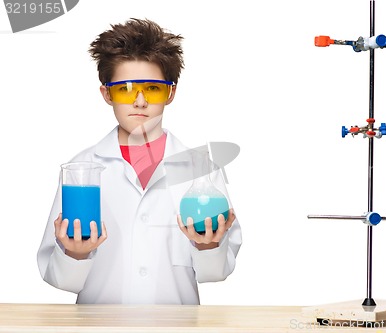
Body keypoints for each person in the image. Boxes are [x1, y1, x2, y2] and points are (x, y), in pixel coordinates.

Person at [37, 18, 242, 304]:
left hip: (176, 326)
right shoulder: (81, 168)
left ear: (171, 93)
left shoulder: (201, 168)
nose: (140, 101)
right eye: (126, 89)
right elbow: (60, 280)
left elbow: (217, 272)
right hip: (100, 326)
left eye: (153, 89)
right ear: (106, 94)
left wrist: (208, 247)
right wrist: (75, 254)